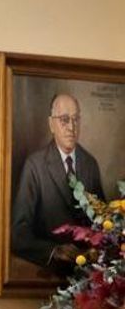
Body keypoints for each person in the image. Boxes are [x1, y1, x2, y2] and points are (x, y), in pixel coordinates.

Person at [11, 92, 105, 273]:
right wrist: (53, 251)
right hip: (48, 273)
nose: (71, 127)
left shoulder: (90, 164)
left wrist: (97, 247)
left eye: (76, 119)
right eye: (64, 119)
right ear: (51, 124)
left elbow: (101, 224)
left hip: (85, 275)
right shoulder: (35, 165)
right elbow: (18, 234)